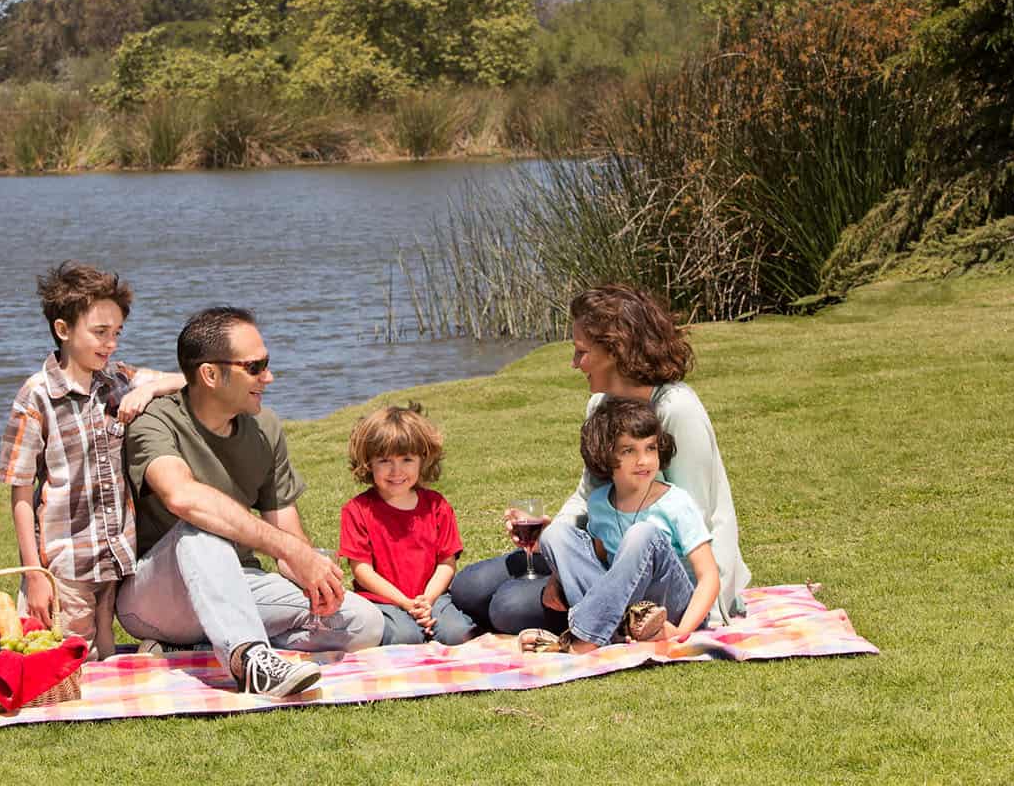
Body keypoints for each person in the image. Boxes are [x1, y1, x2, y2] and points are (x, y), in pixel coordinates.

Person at [450, 283, 750, 634]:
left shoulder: (676, 410)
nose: (574, 364)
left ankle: (604, 619)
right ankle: (446, 620)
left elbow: (696, 518)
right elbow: (586, 493)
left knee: (507, 607)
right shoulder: (601, 406)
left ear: (615, 350)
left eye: (581, 352)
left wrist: (704, 614)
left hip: (658, 576)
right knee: (469, 586)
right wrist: (552, 531)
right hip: (601, 551)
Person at [115, 307, 383, 698]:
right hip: (155, 600)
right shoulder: (154, 421)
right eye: (255, 367)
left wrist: (311, 574)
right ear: (210, 374)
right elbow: (182, 497)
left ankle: (202, 647)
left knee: (363, 623)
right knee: (198, 530)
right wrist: (285, 547)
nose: (268, 377)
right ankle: (250, 662)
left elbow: (285, 527)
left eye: (267, 364)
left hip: (238, 584)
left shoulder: (265, 428)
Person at [0, 262, 184, 660]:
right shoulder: (37, 397)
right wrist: (34, 575)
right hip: (64, 560)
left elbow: (187, 378)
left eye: (116, 333)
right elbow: (19, 492)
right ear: (63, 331)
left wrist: (147, 392)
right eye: (100, 333)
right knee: (68, 657)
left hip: (115, 552)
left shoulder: (116, 381)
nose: (111, 343)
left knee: (102, 645)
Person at [525, 396, 719, 652]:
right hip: (625, 615)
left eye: (650, 448)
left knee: (643, 534)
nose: (644, 460)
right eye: (629, 451)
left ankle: (582, 640)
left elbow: (709, 577)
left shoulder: (675, 502)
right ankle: (612, 633)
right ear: (605, 455)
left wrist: (681, 632)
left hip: (671, 609)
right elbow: (601, 567)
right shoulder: (598, 503)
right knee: (556, 535)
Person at [338, 403, 478, 646]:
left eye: (406, 459)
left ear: (423, 460)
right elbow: (362, 570)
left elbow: (447, 563)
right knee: (406, 636)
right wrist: (404, 602)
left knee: (458, 634)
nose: (396, 471)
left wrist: (427, 600)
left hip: (433, 596)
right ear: (368, 463)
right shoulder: (357, 510)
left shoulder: (437, 506)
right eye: (384, 460)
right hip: (382, 600)